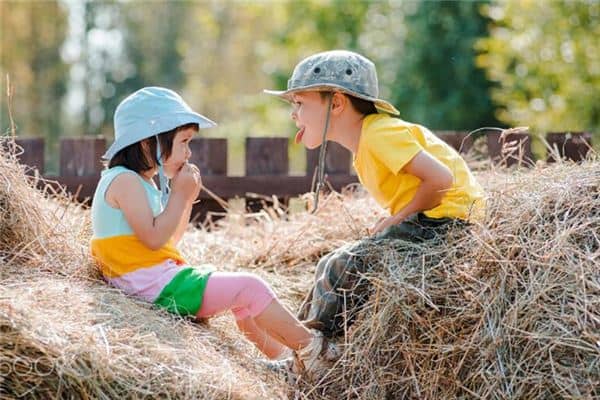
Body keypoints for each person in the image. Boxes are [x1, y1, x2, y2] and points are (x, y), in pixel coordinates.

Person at [90, 86, 339, 378]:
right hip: (151, 288)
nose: (188, 151)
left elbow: (168, 241)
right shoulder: (124, 182)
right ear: (149, 143)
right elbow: (155, 239)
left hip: (153, 282)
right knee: (250, 288)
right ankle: (315, 353)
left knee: (243, 306)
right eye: (184, 141)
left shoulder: (140, 182)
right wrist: (179, 197)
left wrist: (185, 200)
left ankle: (289, 363)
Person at [264, 50, 485, 337]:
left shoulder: (378, 134)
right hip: (436, 219)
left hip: (448, 222)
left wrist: (398, 219)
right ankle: (296, 346)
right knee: (330, 264)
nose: (293, 114)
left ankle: (313, 353)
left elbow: (441, 180)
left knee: (342, 266)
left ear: (338, 103)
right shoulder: (367, 143)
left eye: (299, 103)